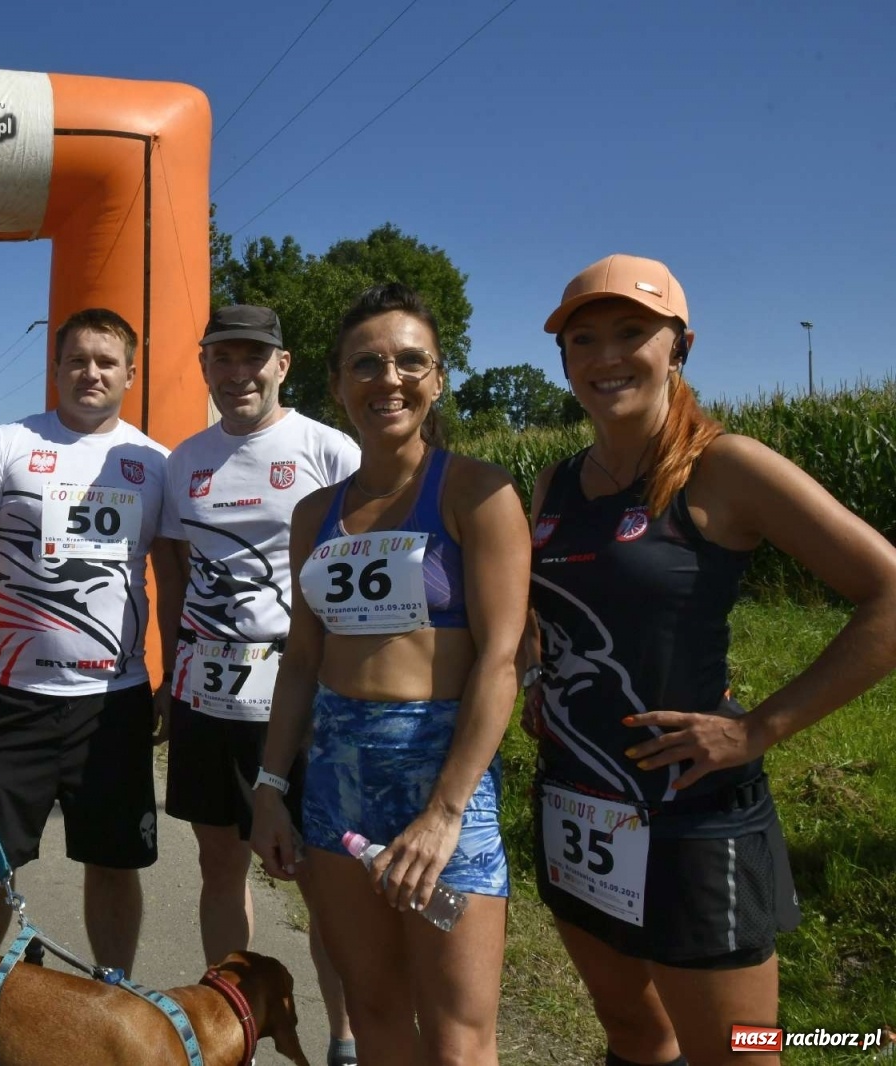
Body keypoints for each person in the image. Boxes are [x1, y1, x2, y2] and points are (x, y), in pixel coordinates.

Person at [523, 254, 896, 1066]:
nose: (606, 355)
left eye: (632, 332)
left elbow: (889, 593)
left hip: (692, 817)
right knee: (634, 1037)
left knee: (738, 1055)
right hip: (580, 808)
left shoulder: (724, 467)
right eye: (583, 339)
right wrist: (530, 675)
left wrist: (758, 729)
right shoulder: (553, 484)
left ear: (679, 347)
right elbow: (540, 614)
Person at [251, 283, 528, 1065]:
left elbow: (500, 662)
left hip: (443, 781)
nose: (389, 379)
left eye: (412, 361)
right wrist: (272, 787)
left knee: (458, 1037)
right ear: (337, 384)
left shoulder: (477, 491)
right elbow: (302, 659)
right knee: (373, 1009)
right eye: (366, 364)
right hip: (338, 782)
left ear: (439, 378)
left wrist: (445, 812)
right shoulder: (316, 513)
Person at [154, 304, 359, 1065]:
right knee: (219, 865)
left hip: (299, 690)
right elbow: (171, 571)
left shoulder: (325, 447)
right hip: (207, 691)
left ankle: (344, 1037)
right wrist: (170, 671)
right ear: (205, 365)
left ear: (282, 364)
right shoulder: (185, 461)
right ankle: (229, 1030)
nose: (237, 373)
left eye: (253, 358)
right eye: (222, 359)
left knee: (316, 876)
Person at [0, 308, 176, 973]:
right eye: (77, 359)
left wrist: (175, 679)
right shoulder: (7, 444)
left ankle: (114, 994)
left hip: (113, 702)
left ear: (131, 374)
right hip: (13, 697)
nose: (90, 372)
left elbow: (175, 575)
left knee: (113, 862)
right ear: (55, 368)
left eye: (106, 362)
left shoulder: (153, 462)